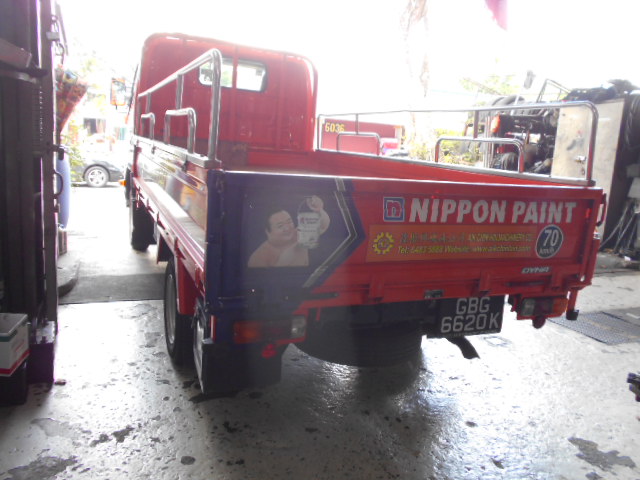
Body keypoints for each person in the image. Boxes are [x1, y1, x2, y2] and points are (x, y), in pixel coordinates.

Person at [248, 196, 330, 268]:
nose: (287, 228)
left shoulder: (299, 234)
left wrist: (319, 210)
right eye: (280, 226)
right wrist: (292, 251)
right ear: (268, 232)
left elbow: (323, 226)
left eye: (289, 222)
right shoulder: (258, 258)